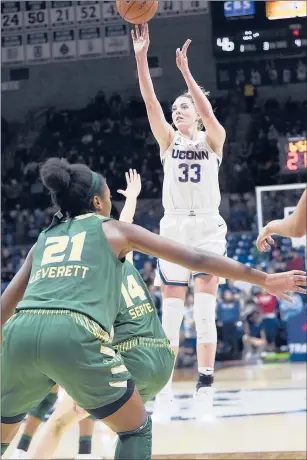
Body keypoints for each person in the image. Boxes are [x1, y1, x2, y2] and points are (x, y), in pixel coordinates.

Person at [1, 158, 306, 459]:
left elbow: (5, 307)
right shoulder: (114, 230)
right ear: (97, 202)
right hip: (75, 333)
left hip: (19, 333)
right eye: (109, 195)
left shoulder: (44, 239)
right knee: (136, 429)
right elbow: (197, 259)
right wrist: (264, 278)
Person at [28, 168, 174, 459]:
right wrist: (131, 197)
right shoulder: (121, 247)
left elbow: (98, 325)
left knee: (58, 422)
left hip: (129, 356)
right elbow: (126, 222)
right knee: (121, 425)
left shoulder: (88, 268)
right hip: (161, 357)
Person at [132, 22, 228, 417]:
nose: (177, 110)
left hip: (207, 227)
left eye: (184, 106)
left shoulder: (214, 139)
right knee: (170, 315)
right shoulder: (168, 141)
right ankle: (165, 384)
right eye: (177, 108)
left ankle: (205, 381)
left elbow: (205, 108)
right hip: (173, 227)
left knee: (204, 313)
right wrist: (141, 58)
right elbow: (151, 103)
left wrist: (187, 75)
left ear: (198, 114)